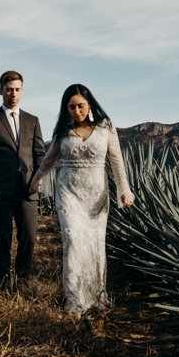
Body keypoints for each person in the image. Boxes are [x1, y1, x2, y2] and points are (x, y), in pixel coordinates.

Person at [29, 84, 134, 315]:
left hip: (97, 197)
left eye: (80, 106)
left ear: (89, 105)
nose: (77, 111)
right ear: (66, 109)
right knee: (74, 240)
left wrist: (124, 190)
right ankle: (74, 300)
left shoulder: (106, 127)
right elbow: (49, 159)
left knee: (95, 245)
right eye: (71, 107)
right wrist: (37, 179)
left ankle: (96, 297)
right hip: (68, 193)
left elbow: (117, 162)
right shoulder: (63, 132)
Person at [0, 70, 46, 290]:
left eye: (17, 90)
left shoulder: (33, 121)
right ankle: (5, 288)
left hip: (28, 190)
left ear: (22, 90)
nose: (13, 94)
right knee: (2, 242)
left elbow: (40, 154)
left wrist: (38, 177)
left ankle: (23, 285)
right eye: (8, 90)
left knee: (28, 240)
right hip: (0, 192)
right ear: (0, 91)